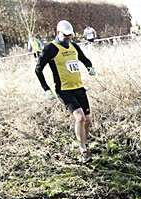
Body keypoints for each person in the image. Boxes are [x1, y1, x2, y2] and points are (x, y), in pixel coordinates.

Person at [35, 20, 97, 163]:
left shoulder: (74, 46)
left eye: (70, 35)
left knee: (87, 120)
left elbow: (84, 59)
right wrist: (46, 89)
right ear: (58, 33)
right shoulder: (50, 49)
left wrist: (90, 67)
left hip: (79, 88)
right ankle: (83, 150)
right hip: (64, 90)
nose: (68, 37)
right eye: (65, 35)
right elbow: (38, 69)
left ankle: (84, 143)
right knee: (80, 117)